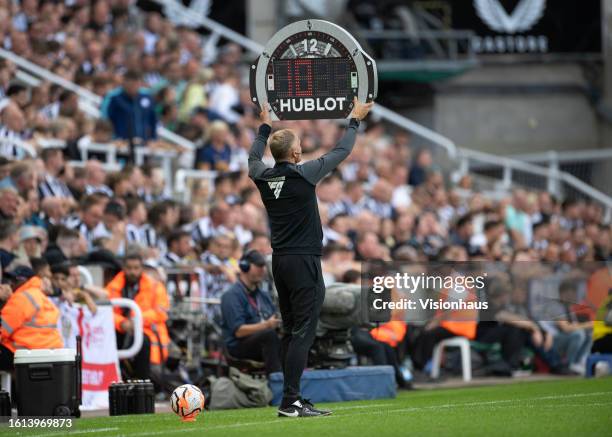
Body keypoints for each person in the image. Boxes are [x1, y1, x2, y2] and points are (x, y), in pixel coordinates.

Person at [248, 97, 373, 417]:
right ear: (295, 153)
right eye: (300, 144)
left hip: (280, 262)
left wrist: (264, 126)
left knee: (291, 331)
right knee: (304, 332)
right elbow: (341, 152)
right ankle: (290, 401)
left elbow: (252, 161)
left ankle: (292, 398)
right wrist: (355, 120)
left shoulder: (263, 177)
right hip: (304, 262)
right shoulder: (304, 175)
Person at [105, 253, 170, 380]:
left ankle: (141, 384)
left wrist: (135, 320)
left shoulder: (156, 286)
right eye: (129, 268)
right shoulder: (112, 287)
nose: (132, 272)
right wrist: (122, 323)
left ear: (142, 268)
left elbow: (161, 312)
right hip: (121, 329)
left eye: (136, 268)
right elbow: (106, 312)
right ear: (123, 268)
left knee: (143, 342)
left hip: (145, 330)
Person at [220, 250, 281, 374]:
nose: (262, 270)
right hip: (238, 346)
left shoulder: (263, 295)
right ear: (245, 266)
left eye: (263, 266)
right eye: (258, 266)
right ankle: (277, 381)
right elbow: (239, 331)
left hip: (261, 342)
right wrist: (266, 325)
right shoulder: (232, 295)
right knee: (269, 335)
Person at [0, 266, 63, 370]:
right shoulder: (38, 294)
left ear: (23, 280)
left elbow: (2, 330)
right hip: (44, 354)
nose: (10, 284)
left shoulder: (21, 298)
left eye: (14, 280)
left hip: (26, 354)